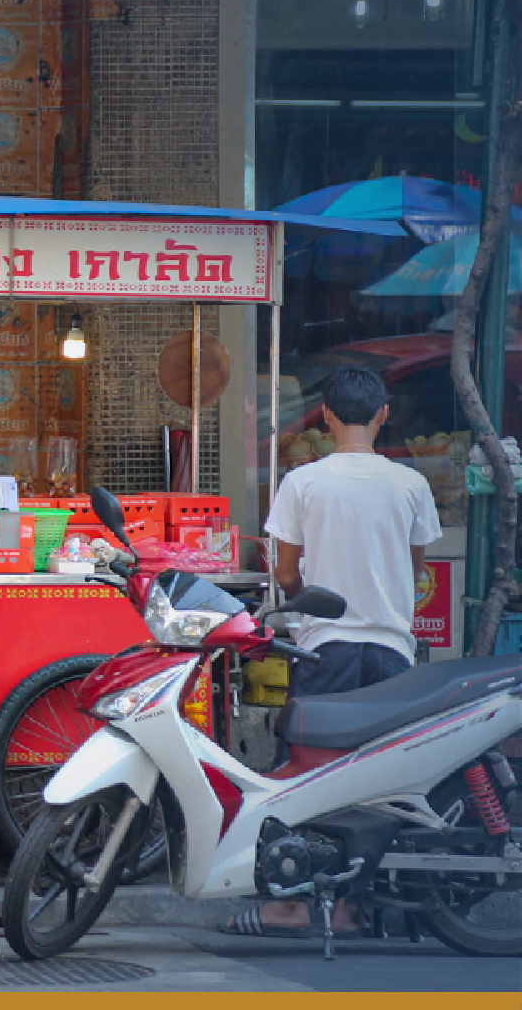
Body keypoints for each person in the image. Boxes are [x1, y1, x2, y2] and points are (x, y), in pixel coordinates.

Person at [224, 365, 440, 938]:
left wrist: (302, 598)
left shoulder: (303, 483)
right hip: (392, 654)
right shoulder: (410, 484)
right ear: (383, 415)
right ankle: (353, 905)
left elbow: (288, 573)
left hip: (326, 650)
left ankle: (291, 903)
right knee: (381, 783)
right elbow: (415, 572)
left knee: (306, 773)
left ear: (324, 414)